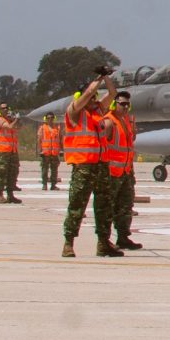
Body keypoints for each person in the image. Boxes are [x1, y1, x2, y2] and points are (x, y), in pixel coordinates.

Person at [59, 79, 115, 257]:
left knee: (104, 206)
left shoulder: (98, 111)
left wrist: (106, 77)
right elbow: (89, 92)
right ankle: (68, 243)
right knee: (77, 205)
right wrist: (98, 79)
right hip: (83, 166)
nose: (93, 100)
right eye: (90, 97)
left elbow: (112, 94)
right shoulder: (74, 111)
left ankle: (103, 243)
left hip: (101, 165)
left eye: (94, 98)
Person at [101, 93, 142, 252]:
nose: (125, 107)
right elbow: (101, 144)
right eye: (122, 104)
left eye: (127, 104)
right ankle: (104, 241)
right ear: (114, 104)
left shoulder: (125, 121)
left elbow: (129, 143)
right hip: (111, 173)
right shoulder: (109, 121)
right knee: (108, 207)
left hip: (125, 171)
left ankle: (123, 237)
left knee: (126, 205)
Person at [0, 107, 22, 204]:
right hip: (2, 151)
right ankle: (0, 195)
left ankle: (10, 195)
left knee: (13, 173)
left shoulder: (10, 121)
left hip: (12, 151)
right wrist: (15, 120)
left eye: (7, 108)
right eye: (3, 108)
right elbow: (9, 127)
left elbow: (19, 127)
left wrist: (16, 120)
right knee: (2, 173)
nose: (5, 110)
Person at [37, 113, 60, 190]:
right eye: (48, 118)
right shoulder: (42, 128)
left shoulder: (57, 128)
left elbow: (60, 139)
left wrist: (61, 150)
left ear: (54, 119)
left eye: (51, 118)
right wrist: (40, 150)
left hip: (54, 153)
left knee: (54, 170)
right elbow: (39, 140)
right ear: (46, 119)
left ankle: (53, 185)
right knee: (44, 169)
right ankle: (44, 184)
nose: (50, 119)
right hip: (45, 152)